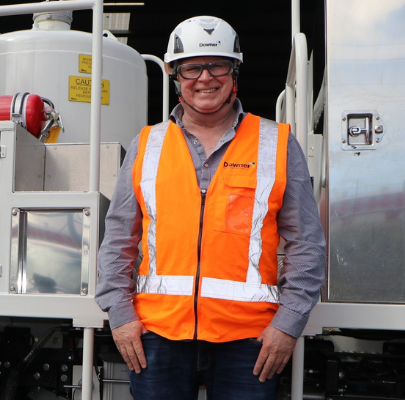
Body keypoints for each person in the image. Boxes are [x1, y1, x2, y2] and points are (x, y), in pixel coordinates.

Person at [94, 16, 326, 400]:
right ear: (174, 75)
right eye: (191, 67)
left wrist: (287, 325)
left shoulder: (277, 143)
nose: (205, 77)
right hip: (158, 335)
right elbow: (118, 237)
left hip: (250, 342)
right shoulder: (147, 144)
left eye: (217, 64)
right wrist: (120, 317)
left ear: (234, 71)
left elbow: (307, 244)